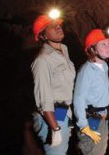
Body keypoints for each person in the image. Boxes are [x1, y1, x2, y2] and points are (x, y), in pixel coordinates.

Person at [31, 10, 76, 155]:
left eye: (58, 24)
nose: (58, 27)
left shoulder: (64, 51)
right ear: (43, 35)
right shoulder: (42, 60)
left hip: (62, 113)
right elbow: (44, 97)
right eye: (52, 26)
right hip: (51, 117)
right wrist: (55, 128)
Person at [73, 28, 109, 155]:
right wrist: (83, 126)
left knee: (100, 150)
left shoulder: (104, 66)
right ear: (93, 49)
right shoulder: (86, 71)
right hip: (91, 120)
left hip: (102, 118)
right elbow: (78, 99)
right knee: (92, 151)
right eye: (103, 44)